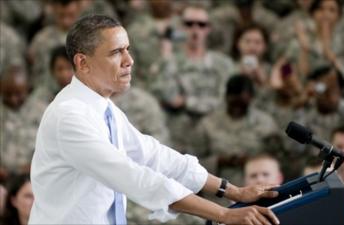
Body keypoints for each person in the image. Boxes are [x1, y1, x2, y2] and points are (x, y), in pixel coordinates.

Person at [28, 15, 280, 225]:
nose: (129, 61)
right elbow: (135, 177)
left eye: (128, 49)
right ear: (82, 63)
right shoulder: (69, 116)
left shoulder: (103, 107)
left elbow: (154, 156)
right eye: (116, 52)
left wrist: (234, 191)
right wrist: (224, 214)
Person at [152, 4, 234, 152]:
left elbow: (224, 101)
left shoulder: (223, 64)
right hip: (178, 138)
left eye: (201, 25)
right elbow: (167, 96)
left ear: (208, 29)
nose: (195, 29)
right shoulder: (170, 61)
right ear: (182, 27)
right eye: (189, 24)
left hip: (216, 137)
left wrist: (187, 101)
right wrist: (166, 57)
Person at [195, 75, 279, 187]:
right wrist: (220, 161)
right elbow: (193, 162)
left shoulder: (265, 122)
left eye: (242, 104)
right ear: (226, 97)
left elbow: (277, 157)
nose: (237, 108)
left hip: (260, 187)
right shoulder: (208, 124)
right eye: (233, 103)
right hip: (220, 192)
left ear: (251, 98)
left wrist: (254, 160)